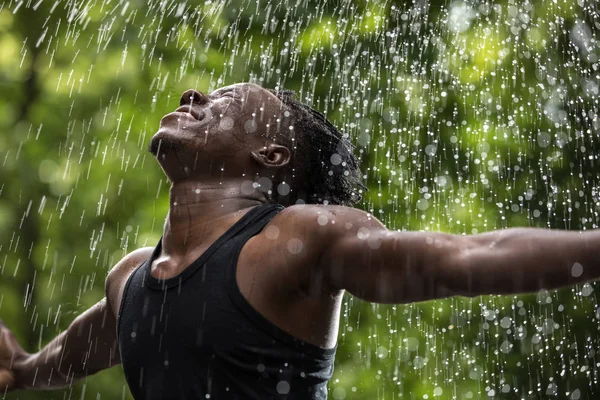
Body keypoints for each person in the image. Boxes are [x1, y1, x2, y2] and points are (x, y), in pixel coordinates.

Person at [0, 82, 599, 399]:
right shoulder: (130, 276)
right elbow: (82, 348)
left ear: (271, 156)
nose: (193, 97)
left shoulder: (297, 240)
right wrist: (22, 371)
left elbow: (463, 257)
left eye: (224, 101)